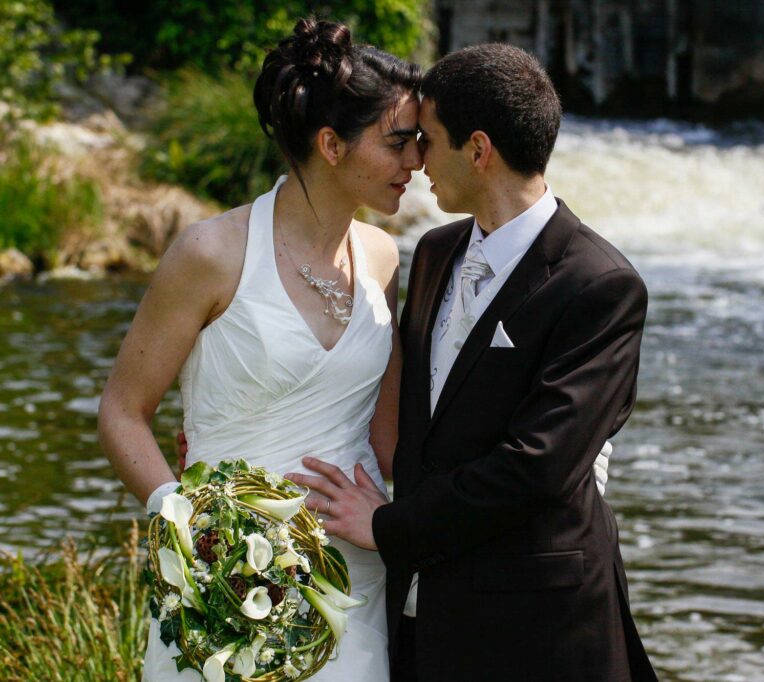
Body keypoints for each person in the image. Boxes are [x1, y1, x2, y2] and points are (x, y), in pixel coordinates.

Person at [287, 43, 658, 681]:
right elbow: (404, 406)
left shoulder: (600, 285)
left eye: (426, 140)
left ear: (479, 151)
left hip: (540, 623)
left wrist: (390, 528)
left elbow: (536, 467)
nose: (416, 160)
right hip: (426, 611)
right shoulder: (432, 253)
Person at [98, 18, 421, 681]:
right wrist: (186, 531)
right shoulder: (210, 253)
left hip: (353, 580)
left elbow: (390, 439)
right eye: (397, 142)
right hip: (217, 575)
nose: (416, 162)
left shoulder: (385, 257)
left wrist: (409, 522)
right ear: (332, 144)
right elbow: (122, 411)